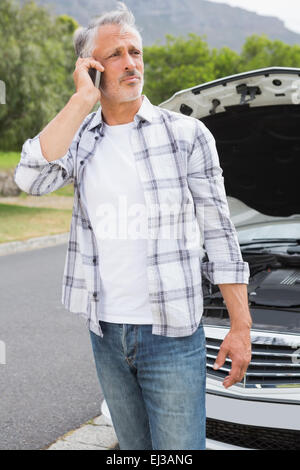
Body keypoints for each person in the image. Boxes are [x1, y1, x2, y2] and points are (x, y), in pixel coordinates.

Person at [14, 2, 252, 450]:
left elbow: (220, 233)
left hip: (172, 335)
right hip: (105, 332)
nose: (130, 63)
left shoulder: (186, 135)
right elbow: (30, 178)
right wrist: (81, 101)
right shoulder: (80, 137)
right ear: (91, 69)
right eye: (116, 55)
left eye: (135, 52)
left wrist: (241, 327)